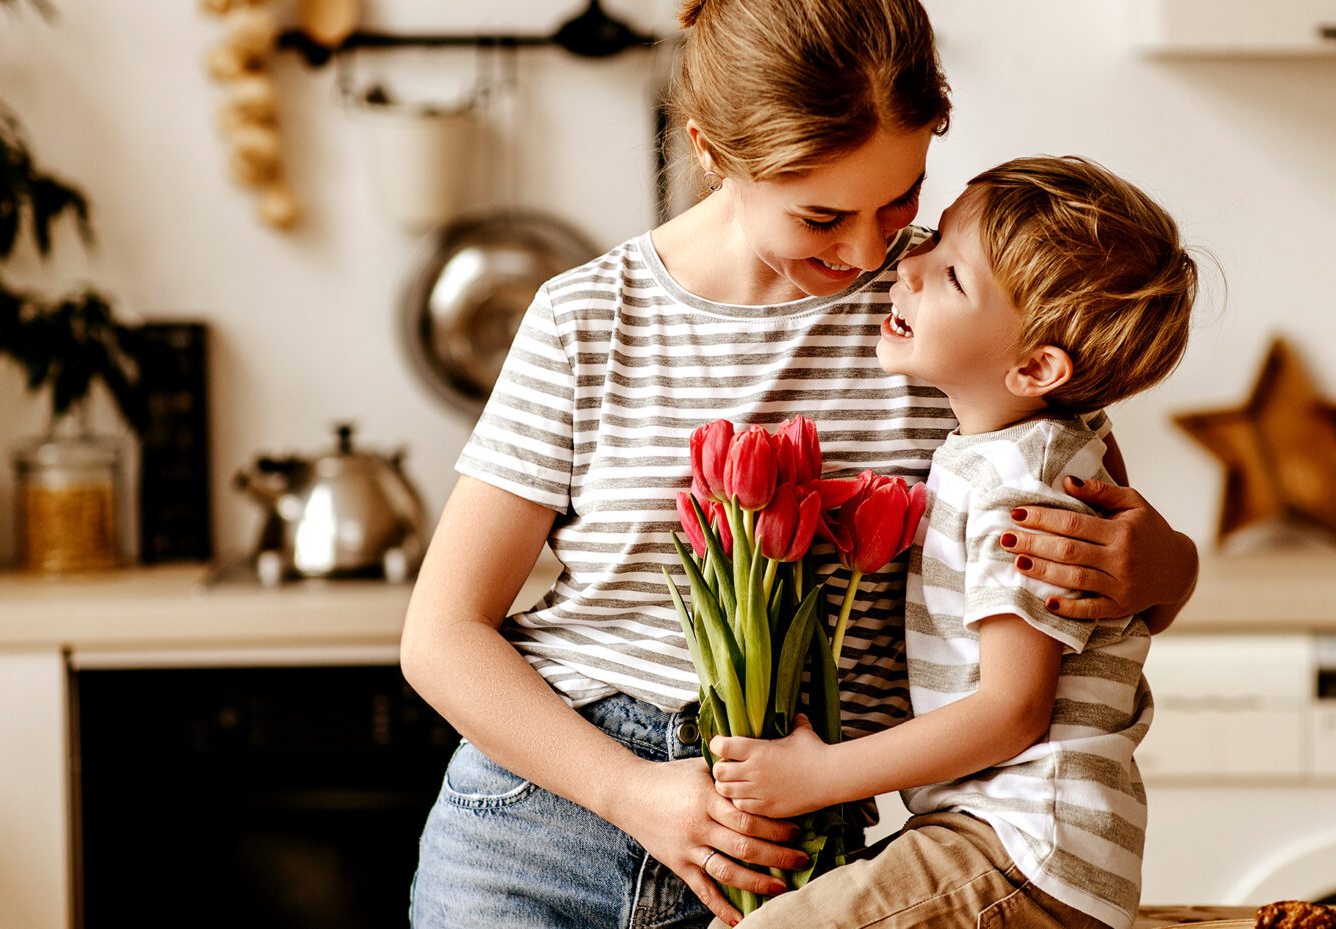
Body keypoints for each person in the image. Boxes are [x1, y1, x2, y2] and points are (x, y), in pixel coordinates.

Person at [398, 1, 1200, 926]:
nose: (869, 250)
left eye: (901, 199)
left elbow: (1094, 558)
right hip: (542, 833)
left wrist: (1165, 564)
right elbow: (442, 634)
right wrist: (633, 793)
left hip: (794, 855)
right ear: (710, 151)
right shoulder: (587, 319)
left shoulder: (952, 312)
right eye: (821, 214)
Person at [709, 155, 1197, 929]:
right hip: (1010, 839)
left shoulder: (1020, 487)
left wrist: (817, 778)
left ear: (1036, 365)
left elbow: (1011, 711)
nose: (908, 262)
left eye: (951, 276)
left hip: (1021, 844)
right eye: (931, 239)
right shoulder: (1055, 443)